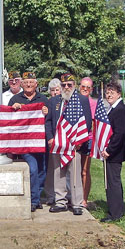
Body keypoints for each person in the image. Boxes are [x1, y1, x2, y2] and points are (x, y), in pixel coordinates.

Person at [45, 73, 92, 215]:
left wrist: (79, 140)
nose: (66, 87)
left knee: (75, 173)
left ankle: (76, 203)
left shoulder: (82, 100)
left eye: (69, 85)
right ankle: (60, 201)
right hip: (58, 144)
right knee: (58, 173)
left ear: (74, 86)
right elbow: (48, 121)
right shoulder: (54, 101)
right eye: (63, 85)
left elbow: (88, 121)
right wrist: (50, 138)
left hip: (74, 144)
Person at [8, 72, 49, 212]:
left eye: (31, 82)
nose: (29, 84)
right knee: (33, 169)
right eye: (26, 82)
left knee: (42, 171)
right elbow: (9, 121)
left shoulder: (43, 99)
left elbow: (50, 119)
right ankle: (34, 200)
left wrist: (46, 112)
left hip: (41, 142)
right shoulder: (15, 99)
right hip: (24, 143)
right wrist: (14, 109)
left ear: (36, 84)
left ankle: (36, 196)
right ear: (22, 84)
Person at [100, 82, 125, 222]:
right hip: (110, 153)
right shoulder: (112, 109)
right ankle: (114, 209)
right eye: (107, 92)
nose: (109, 95)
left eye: (112, 92)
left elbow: (119, 134)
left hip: (114, 154)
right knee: (111, 182)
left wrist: (109, 151)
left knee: (114, 182)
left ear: (119, 94)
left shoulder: (120, 110)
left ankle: (115, 213)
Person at [79, 77, 97, 208]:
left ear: (91, 89)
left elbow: (95, 124)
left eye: (88, 87)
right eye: (83, 86)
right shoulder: (74, 101)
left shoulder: (93, 104)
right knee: (73, 170)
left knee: (84, 170)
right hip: (74, 141)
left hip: (88, 139)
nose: (85, 89)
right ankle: (74, 196)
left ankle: (84, 199)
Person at [44, 78, 62, 205]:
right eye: (52, 90)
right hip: (52, 141)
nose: (55, 92)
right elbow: (48, 122)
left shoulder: (67, 102)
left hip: (66, 141)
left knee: (64, 169)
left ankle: (65, 195)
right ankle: (51, 195)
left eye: (57, 90)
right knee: (52, 169)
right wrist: (50, 137)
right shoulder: (48, 103)